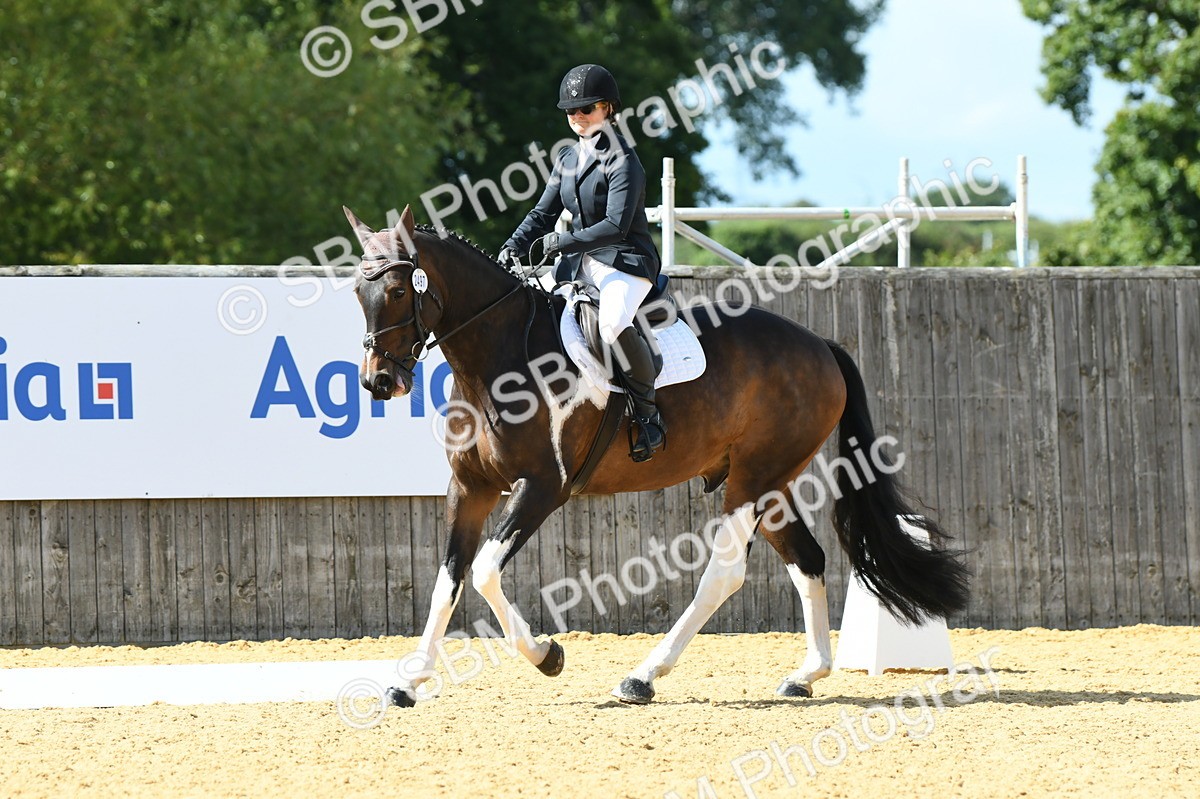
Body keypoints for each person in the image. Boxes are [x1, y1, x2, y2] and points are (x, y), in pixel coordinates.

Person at [499, 64, 666, 462]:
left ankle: (648, 415)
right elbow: (541, 213)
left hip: (626, 262)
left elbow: (615, 225)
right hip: (579, 264)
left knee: (610, 323)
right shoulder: (568, 159)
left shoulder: (624, 160)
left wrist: (564, 241)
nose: (577, 116)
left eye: (587, 109)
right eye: (571, 110)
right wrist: (511, 246)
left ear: (608, 108)